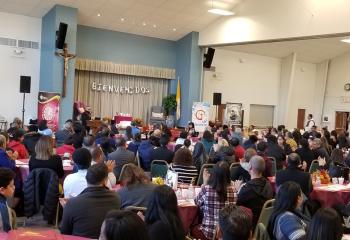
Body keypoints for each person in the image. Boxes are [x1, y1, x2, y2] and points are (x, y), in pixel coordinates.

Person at [60, 163, 121, 238]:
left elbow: (64, 233)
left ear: (86, 179)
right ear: (105, 181)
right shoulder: (116, 198)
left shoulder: (72, 203)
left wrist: (67, 210)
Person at [193, 161, 236, 240]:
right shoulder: (234, 190)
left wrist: (205, 183)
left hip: (207, 232)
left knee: (192, 227)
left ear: (213, 174)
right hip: (225, 234)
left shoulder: (207, 189)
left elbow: (196, 202)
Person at [237, 156, 273, 229]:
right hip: (265, 224)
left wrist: (238, 189)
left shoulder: (246, 189)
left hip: (249, 224)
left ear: (250, 166)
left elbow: (237, 206)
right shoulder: (268, 184)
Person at [0, 168, 16, 232]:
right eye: (11, 186)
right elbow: (6, 233)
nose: (14, 187)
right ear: (2, 190)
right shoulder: (2, 208)